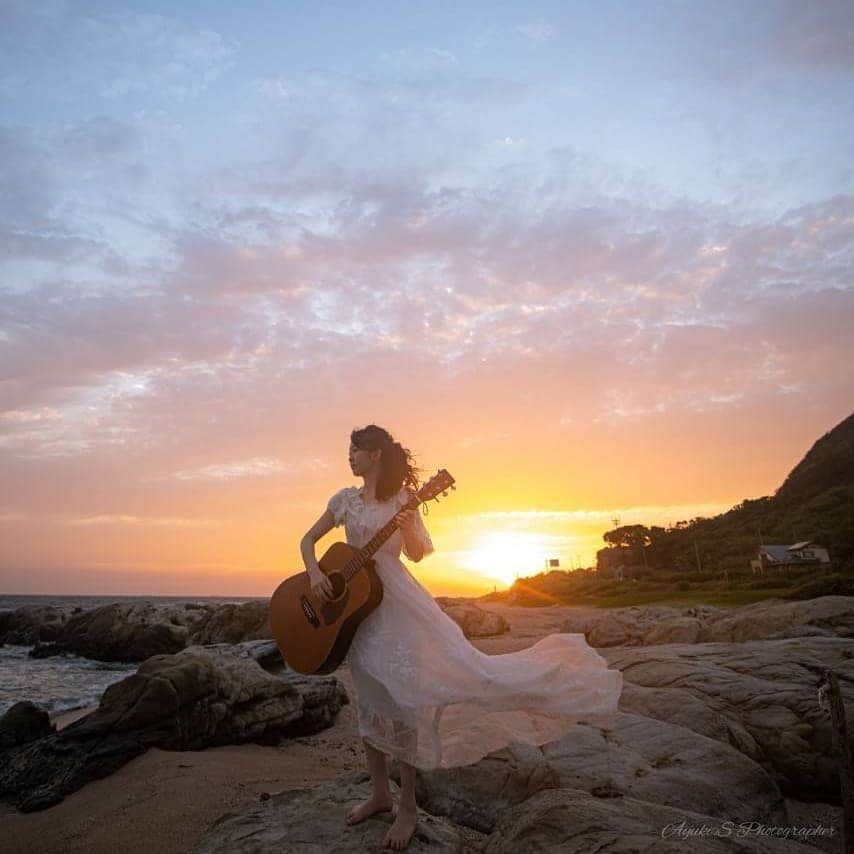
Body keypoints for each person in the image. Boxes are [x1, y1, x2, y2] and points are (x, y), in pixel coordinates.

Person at [300, 424, 623, 850]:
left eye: (356, 449)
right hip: (356, 611)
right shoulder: (343, 500)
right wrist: (316, 572)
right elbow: (308, 540)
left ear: (376, 454)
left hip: (396, 606)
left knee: (403, 701)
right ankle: (379, 793)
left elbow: (415, 553)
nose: (350, 456)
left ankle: (409, 806)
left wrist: (409, 520)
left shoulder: (402, 500)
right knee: (369, 698)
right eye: (349, 450)